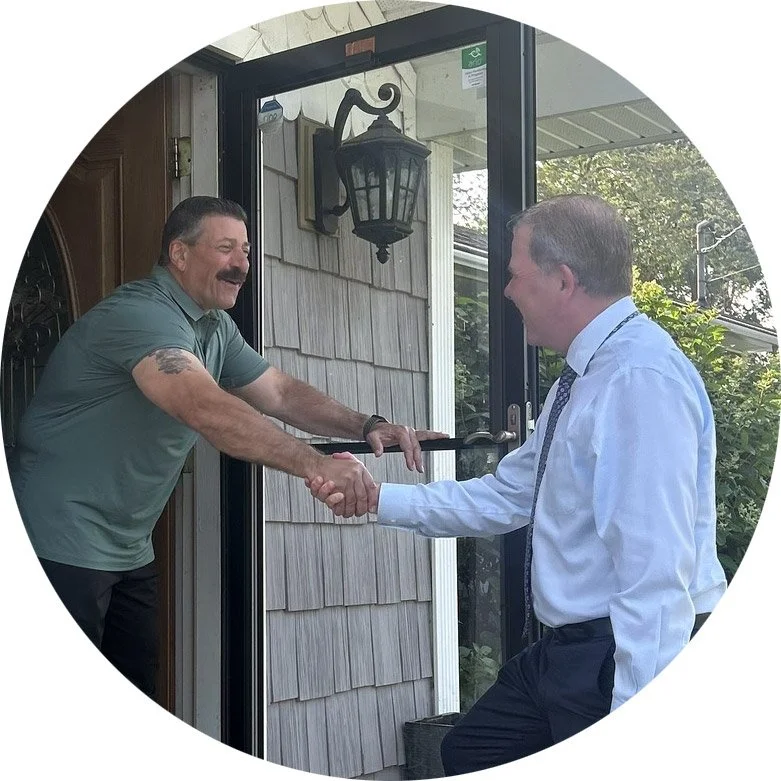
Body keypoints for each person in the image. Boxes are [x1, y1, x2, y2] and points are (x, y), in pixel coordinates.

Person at [308, 194, 728, 773]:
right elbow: (509, 494)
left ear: (563, 280)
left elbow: (655, 574)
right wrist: (379, 500)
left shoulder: (637, 381)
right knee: (469, 751)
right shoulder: (583, 379)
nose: (506, 291)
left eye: (514, 275)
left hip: (620, 652)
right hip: (565, 653)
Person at [8, 195, 445, 700]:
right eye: (225, 249)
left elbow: (278, 392)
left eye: (247, 250)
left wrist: (367, 423)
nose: (241, 265)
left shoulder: (212, 326)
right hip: (54, 537)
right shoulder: (141, 315)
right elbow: (204, 407)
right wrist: (315, 463)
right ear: (179, 253)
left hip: (127, 546)